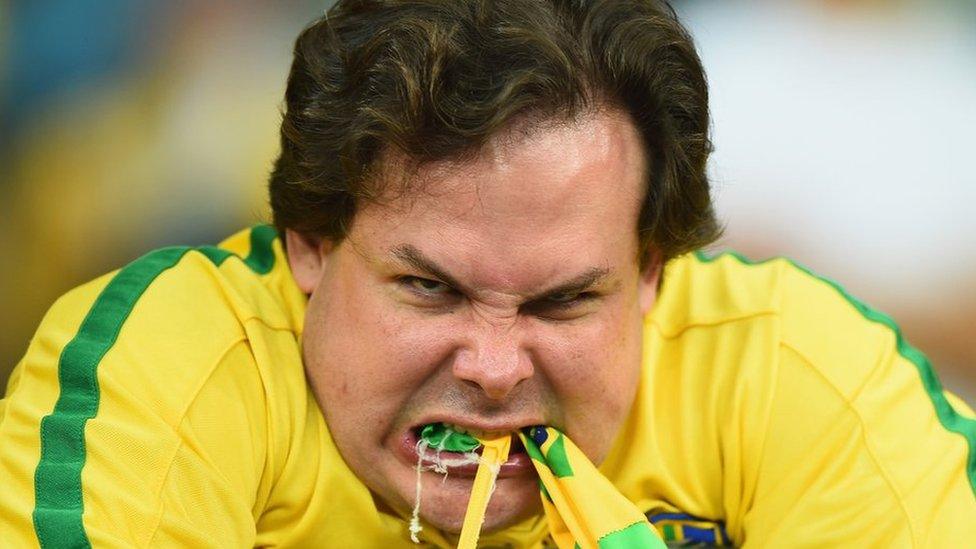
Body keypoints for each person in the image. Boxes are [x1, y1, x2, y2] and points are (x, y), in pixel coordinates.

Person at [1, 0, 974, 547]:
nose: (496, 367)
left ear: (648, 274)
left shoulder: (800, 378)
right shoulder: (170, 367)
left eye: (563, 299)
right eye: (429, 287)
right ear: (307, 243)